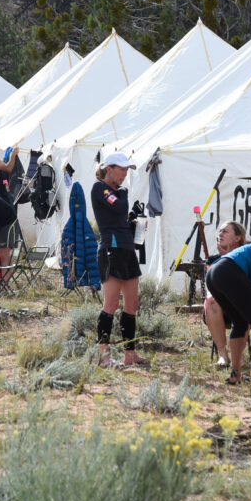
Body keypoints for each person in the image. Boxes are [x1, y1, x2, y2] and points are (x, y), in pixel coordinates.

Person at [90, 151, 147, 368]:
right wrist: (124, 196)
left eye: (127, 170)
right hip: (110, 250)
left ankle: (129, 353)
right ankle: (103, 356)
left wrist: (134, 223)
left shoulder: (118, 191)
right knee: (111, 304)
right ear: (109, 168)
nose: (124, 174)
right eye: (121, 169)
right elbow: (119, 206)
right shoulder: (100, 188)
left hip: (126, 249)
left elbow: (121, 215)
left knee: (132, 303)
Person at [205, 235, 251, 384]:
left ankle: (235, 374)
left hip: (214, 274)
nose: (220, 235)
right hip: (226, 272)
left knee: (240, 322)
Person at [204, 221, 247, 368]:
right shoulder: (212, 261)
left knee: (242, 301)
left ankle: (239, 356)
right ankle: (223, 354)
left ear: (237, 238)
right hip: (219, 309)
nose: (220, 234)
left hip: (242, 307)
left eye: (225, 231)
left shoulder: (245, 257)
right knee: (211, 300)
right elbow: (211, 287)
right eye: (220, 231)